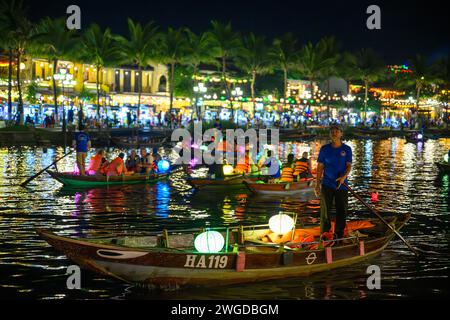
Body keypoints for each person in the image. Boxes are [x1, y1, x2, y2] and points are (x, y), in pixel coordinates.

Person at [315, 124, 352, 241]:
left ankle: (339, 234)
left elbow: (349, 166)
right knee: (325, 211)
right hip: (327, 184)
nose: (334, 133)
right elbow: (320, 167)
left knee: (342, 210)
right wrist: (317, 184)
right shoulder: (325, 149)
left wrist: (343, 176)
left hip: (342, 185)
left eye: (337, 131)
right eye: (332, 131)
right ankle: (325, 234)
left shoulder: (347, 149)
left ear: (341, 134)